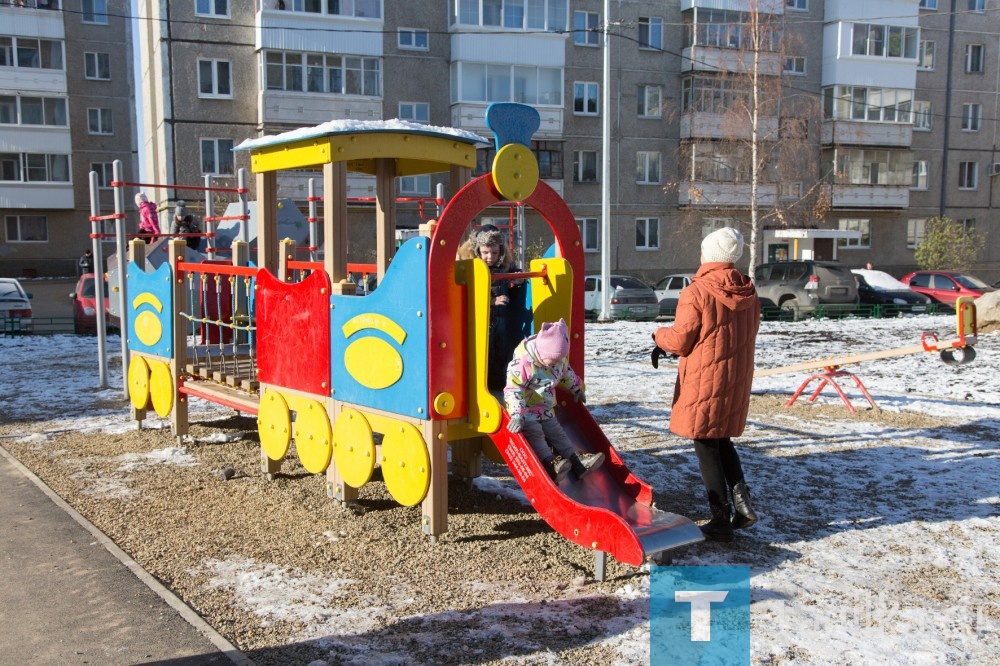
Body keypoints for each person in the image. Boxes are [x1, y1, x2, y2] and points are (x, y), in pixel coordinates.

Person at [651, 227, 761, 542]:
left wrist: (658, 336)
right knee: (721, 438)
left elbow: (681, 340)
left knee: (704, 442)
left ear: (709, 255)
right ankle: (742, 503)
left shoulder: (696, 292)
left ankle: (719, 516)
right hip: (735, 377)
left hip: (704, 378)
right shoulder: (749, 292)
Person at [504, 318, 605, 483]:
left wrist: (577, 388)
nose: (556, 364)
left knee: (557, 432)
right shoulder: (523, 364)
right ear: (541, 354)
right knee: (535, 433)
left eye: (559, 360)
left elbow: (566, 374)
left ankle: (577, 462)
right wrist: (517, 415)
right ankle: (550, 464)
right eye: (553, 361)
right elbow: (514, 389)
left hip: (545, 406)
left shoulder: (559, 361)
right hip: (526, 410)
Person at [473, 224, 523, 391]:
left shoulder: (504, 266)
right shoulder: (475, 268)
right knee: (488, 350)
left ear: (500, 252)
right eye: (485, 252)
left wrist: (518, 279)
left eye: (494, 252)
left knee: (503, 348)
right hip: (484, 318)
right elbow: (472, 293)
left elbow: (517, 272)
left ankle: (501, 382)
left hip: (502, 317)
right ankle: (485, 384)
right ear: (478, 251)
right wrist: (492, 301)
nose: (490, 257)